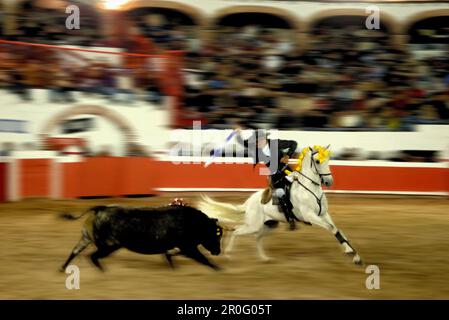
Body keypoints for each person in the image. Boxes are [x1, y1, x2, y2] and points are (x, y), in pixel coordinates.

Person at [235, 126, 298, 230]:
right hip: (275, 175)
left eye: (258, 140)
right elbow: (244, 143)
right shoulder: (256, 148)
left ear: (264, 139)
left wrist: (287, 155)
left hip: (287, 171)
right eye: (255, 141)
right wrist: (238, 134)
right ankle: (290, 218)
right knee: (280, 193)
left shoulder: (275, 143)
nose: (256, 143)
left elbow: (293, 143)